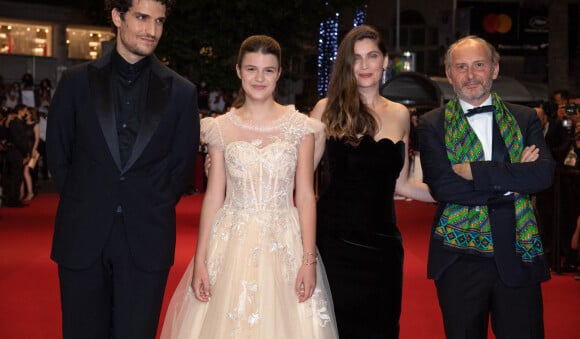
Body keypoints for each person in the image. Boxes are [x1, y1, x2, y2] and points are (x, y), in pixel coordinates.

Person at [46, 0, 199, 338]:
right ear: (118, 16)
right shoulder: (76, 82)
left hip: (146, 237)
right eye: (142, 18)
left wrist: (146, 201)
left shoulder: (181, 92)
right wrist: (89, 198)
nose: (152, 30)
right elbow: (58, 153)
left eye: (159, 21)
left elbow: (180, 170)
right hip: (83, 234)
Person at [160, 35, 338, 338]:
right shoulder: (220, 128)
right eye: (252, 69)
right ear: (239, 71)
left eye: (268, 70)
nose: (259, 77)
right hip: (230, 242)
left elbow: (306, 197)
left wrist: (308, 260)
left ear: (279, 73)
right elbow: (214, 197)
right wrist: (200, 260)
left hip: (284, 242)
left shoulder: (300, 127)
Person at [417, 35, 555, 338]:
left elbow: (543, 175)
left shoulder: (524, 118)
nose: (470, 75)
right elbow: (444, 187)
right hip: (458, 259)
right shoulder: (431, 123)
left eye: (479, 65)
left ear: (494, 69)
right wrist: (514, 177)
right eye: (461, 67)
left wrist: (475, 172)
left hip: (519, 251)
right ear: (450, 74)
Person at [309, 24, 434, 338]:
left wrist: (458, 191)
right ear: (347, 65)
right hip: (334, 244)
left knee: (382, 328)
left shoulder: (401, 114)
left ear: (385, 61)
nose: (364, 66)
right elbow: (298, 175)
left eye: (372, 56)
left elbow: (402, 185)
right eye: (356, 58)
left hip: (383, 248)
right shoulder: (327, 110)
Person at [4, 104, 30, 207]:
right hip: (15, 153)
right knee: (15, 177)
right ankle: (12, 200)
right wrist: (25, 154)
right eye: (25, 110)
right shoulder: (15, 124)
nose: (26, 112)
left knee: (18, 176)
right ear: (20, 111)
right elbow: (18, 141)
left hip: (19, 152)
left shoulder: (19, 123)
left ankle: (15, 199)